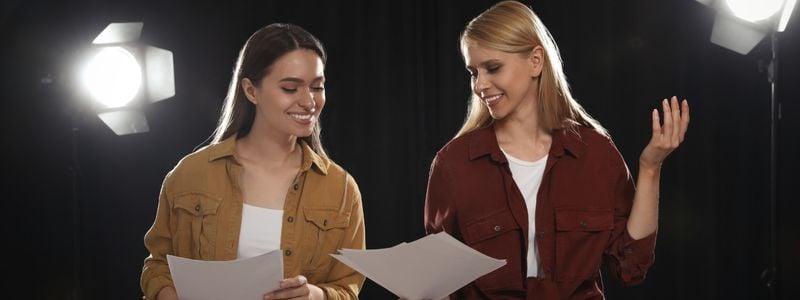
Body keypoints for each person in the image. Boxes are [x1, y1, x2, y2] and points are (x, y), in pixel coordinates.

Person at [424, 1, 690, 299]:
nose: (479, 85)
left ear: (536, 61)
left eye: (493, 68)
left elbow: (630, 265)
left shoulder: (595, 154)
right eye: (473, 72)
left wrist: (651, 167)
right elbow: (441, 282)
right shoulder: (454, 164)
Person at [141, 23, 365, 300]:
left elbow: (347, 288)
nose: (309, 101)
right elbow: (157, 265)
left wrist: (315, 295)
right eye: (290, 88)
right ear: (251, 90)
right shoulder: (190, 174)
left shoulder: (341, 189)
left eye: (317, 87)